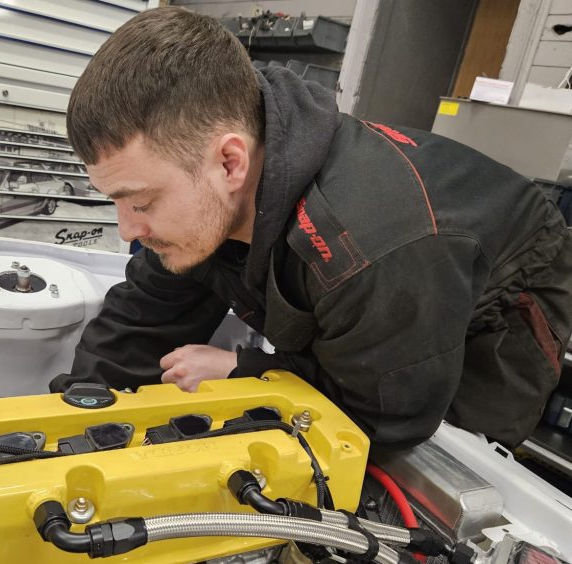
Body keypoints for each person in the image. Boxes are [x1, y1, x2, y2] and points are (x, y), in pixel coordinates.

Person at [50, 7, 572, 449]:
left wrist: (244, 370)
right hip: (385, 280)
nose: (127, 229)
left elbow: (383, 420)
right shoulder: (211, 179)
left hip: (501, 299)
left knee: (441, 458)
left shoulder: (372, 248)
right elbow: (144, 314)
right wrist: (65, 427)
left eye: (140, 201)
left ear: (230, 163)